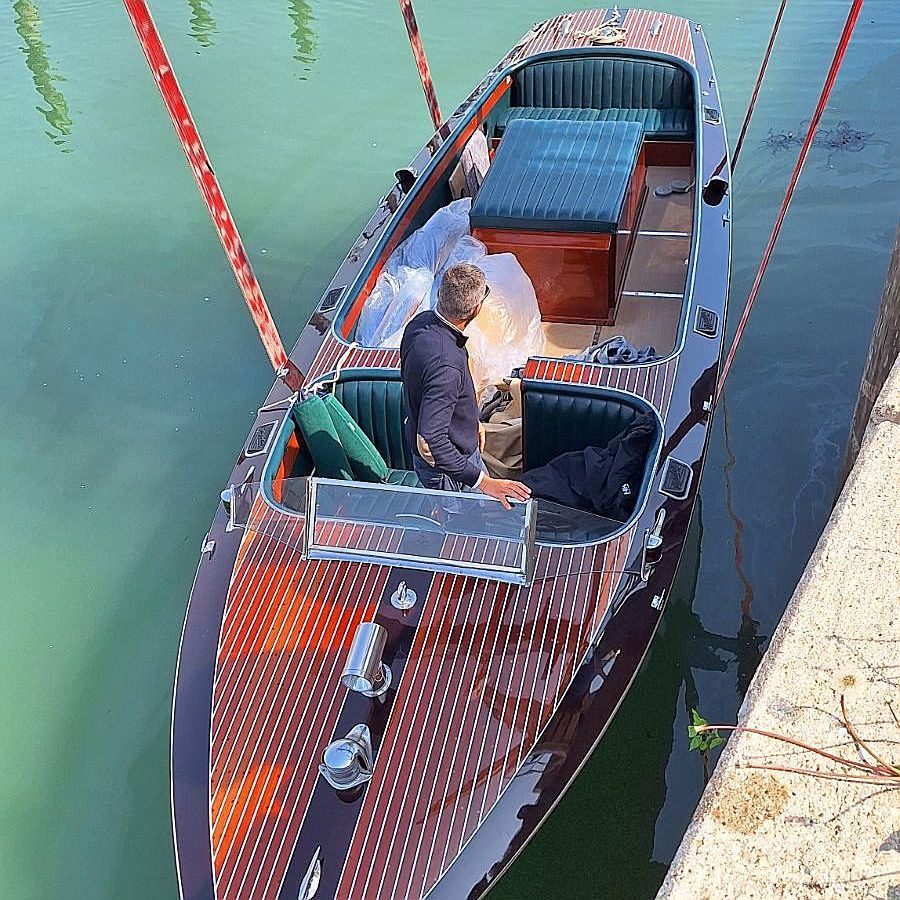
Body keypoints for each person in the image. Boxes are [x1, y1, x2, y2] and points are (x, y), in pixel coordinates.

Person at [400, 263, 532, 509]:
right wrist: (482, 481)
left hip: (457, 447)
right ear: (475, 309)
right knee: (464, 523)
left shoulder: (419, 324)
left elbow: (420, 385)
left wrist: (473, 422)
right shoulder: (446, 366)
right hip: (449, 469)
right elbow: (431, 441)